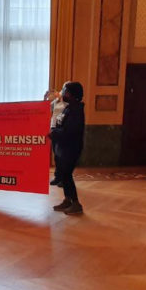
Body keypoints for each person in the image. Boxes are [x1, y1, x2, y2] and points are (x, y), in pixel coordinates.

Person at [49, 81, 85, 216]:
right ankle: (67, 200)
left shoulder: (76, 110)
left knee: (67, 175)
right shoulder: (68, 107)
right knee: (64, 175)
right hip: (63, 147)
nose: (62, 93)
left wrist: (53, 133)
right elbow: (60, 123)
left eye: (64, 91)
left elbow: (69, 131)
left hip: (71, 148)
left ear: (70, 94)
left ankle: (76, 203)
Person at [45, 89, 65, 186]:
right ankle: (57, 177)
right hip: (53, 128)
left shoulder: (67, 102)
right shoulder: (56, 102)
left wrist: (60, 97)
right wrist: (45, 97)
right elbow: (46, 108)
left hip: (62, 129)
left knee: (62, 155)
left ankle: (63, 178)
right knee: (56, 155)